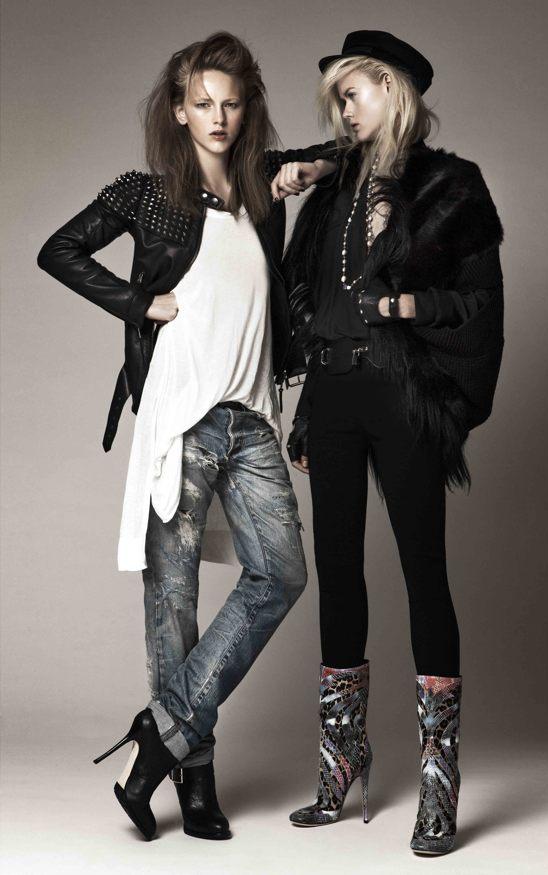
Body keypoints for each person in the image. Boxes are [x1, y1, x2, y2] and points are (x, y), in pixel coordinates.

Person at [37, 32, 337, 842]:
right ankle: (194, 779)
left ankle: (159, 731)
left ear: (247, 110)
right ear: (177, 109)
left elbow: (338, 154)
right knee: (173, 602)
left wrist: (308, 168)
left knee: (281, 572)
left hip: (252, 418)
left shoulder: (262, 191)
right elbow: (58, 249)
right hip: (182, 418)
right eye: (202, 102)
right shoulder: (148, 194)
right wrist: (140, 303)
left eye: (231, 103)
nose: (218, 116)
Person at [274, 30, 504, 855]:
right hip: (335, 394)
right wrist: (307, 412)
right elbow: (316, 310)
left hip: (402, 397)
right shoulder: (331, 188)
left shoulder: (450, 187)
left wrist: (403, 307)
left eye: (353, 92)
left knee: (422, 572)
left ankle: (438, 782)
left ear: (393, 88)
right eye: (337, 97)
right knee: (338, 571)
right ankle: (343, 759)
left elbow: (475, 305)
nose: (343, 108)